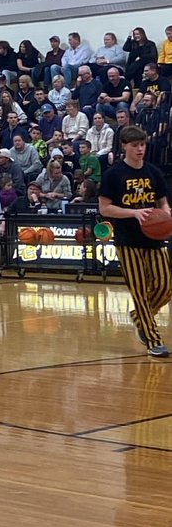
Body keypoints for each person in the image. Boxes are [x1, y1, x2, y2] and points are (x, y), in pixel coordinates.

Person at [99, 126, 172, 357]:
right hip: (127, 239)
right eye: (135, 145)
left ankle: (138, 317)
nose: (140, 149)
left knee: (166, 287)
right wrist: (134, 212)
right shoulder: (113, 174)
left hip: (154, 238)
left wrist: (166, 214)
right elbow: (104, 208)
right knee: (139, 291)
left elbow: (162, 202)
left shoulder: (153, 172)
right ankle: (153, 340)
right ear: (124, 146)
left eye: (142, 145)